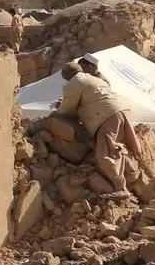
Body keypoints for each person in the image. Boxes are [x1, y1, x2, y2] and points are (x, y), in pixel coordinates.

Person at [56, 54, 144, 196]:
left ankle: (121, 188)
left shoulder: (73, 83)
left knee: (104, 154)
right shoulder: (93, 79)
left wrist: (57, 110)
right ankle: (141, 168)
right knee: (125, 144)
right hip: (121, 110)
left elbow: (67, 109)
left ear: (66, 76)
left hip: (106, 116)